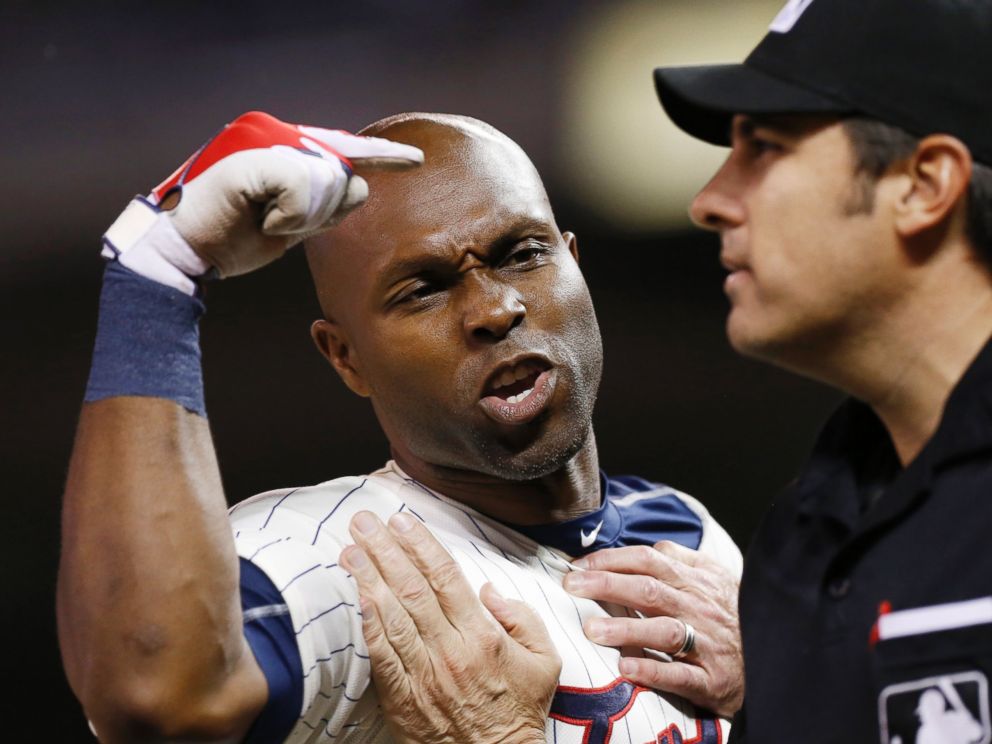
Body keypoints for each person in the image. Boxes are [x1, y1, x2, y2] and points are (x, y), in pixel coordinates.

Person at [352, 0, 992, 742]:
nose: (710, 201)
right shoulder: (815, 528)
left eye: (766, 150)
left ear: (923, 184)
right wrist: (788, 689)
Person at [56, 109, 743, 743]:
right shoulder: (344, 562)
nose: (494, 308)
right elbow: (150, 694)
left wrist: (776, 683)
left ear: (575, 263)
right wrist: (158, 275)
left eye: (522, 254)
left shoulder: (685, 543)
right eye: (423, 289)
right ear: (345, 356)